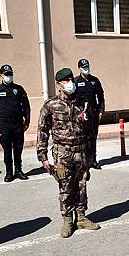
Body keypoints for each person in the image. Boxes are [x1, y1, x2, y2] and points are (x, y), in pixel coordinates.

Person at [38, 68, 100, 238]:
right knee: (65, 187)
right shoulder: (50, 106)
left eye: (71, 79)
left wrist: (91, 153)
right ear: (58, 85)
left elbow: (89, 130)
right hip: (62, 153)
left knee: (81, 185)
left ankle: (81, 217)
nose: (70, 83)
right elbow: (42, 132)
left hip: (81, 151)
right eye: (65, 80)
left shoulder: (82, 103)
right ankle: (67, 220)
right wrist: (43, 157)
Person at [0, 64, 31, 182]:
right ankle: (9, 172)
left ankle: (18, 171)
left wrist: (27, 120)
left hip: (18, 124)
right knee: (7, 150)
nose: (9, 76)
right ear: (1, 75)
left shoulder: (19, 89)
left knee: (18, 149)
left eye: (10, 74)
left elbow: (26, 106)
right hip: (4, 124)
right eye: (6, 74)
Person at [74, 59, 105, 169]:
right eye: (83, 67)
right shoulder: (76, 81)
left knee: (93, 137)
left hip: (93, 113)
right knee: (82, 137)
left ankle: (93, 159)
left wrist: (101, 110)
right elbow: (72, 99)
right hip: (81, 114)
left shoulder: (95, 80)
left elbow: (101, 96)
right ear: (79, 68)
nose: (86, 69)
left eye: (87, 66)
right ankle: (83, 160)